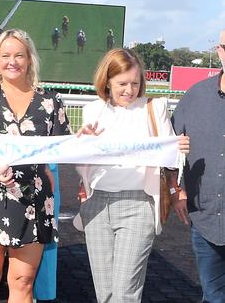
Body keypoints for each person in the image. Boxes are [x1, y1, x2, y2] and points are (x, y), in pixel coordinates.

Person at [0, 29, 70, 302]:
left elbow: (67, 146)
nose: (12, 61)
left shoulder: (50, 102)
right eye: (5, 55)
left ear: (30, 59)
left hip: (34, 202)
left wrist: (87, 140)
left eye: (19, 55)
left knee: (23, 281)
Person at [76, 48, 189, 303]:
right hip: (96, 205)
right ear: (107, 81)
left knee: (125, 293)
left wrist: (177, 148)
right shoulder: (92, 111)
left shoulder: (154, 108)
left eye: (135, 83)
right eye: (122, 84)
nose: (129, 90)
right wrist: (83, 144)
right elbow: (81, 164)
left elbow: (169, 157)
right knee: (105, 293)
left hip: (138, 204)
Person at [171, 30, 225, 302]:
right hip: (205, 220)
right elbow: (166, 145)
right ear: (219, 50)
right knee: (214, 296)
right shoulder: (195, 96)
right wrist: (176, 190)